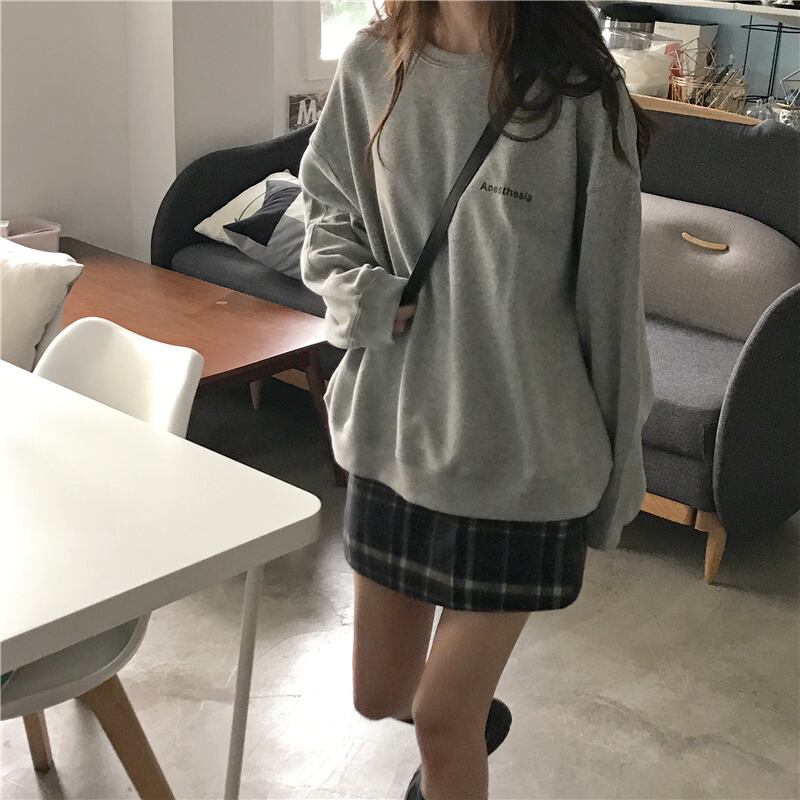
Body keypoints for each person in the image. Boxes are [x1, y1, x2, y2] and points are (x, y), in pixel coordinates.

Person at [298, 2, 655, 798]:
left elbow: (612, 309)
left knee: (439, 720)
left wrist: (616, 484)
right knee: (378, 696)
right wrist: (360, 294)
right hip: (396, 439)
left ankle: (453, 732)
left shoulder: (579, 95)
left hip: (526, 460)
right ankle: (460, 723)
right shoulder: (372, 67)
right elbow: (324, 209)